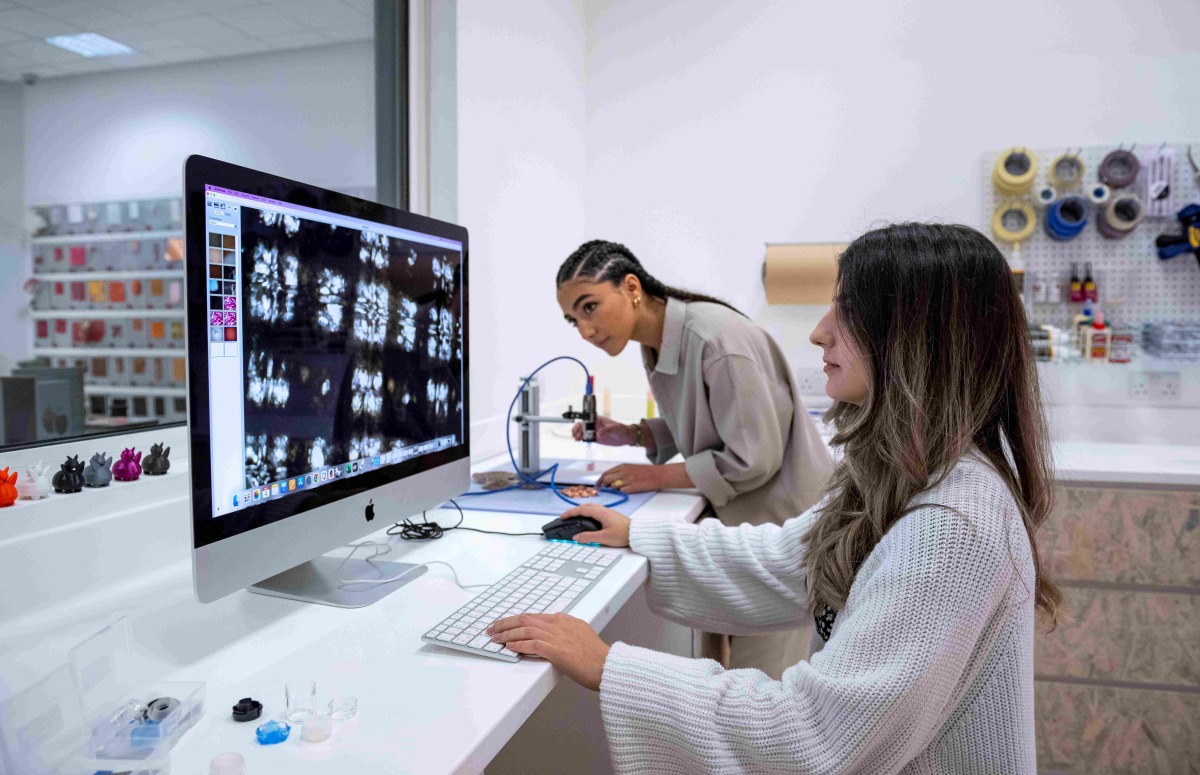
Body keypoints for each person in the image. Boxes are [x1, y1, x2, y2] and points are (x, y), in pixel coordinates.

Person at [492, 223, 1062, 773]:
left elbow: (812, 735)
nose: (818, 333)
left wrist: (608, 667)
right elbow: (791, 558)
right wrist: (636, 535)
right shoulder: (905, 477)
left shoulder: (951, 527)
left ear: (919, 338)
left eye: (847, 310)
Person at [555, 239, 833, 678]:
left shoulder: (716, 340)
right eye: (574, 320)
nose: (585, 330)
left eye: (589, 307)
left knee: (762, 680)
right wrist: (633, 433)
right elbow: (711, 416)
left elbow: (753, 457)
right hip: (738, 523)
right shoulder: (660, 341)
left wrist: (655, 476)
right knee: (718, 664)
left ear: (631, 288)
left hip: (779, 528)